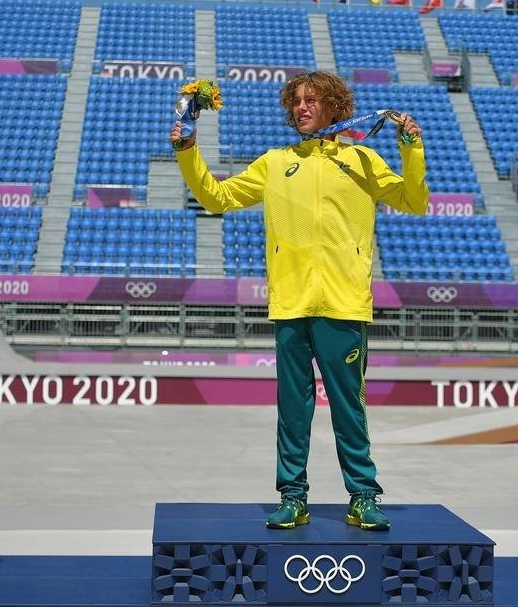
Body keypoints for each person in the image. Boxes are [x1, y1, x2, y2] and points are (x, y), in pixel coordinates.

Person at [171, 71, 428, 531]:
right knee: (293, 407)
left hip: (344, 304)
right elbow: (217, 197)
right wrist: (188, 149)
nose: (302, 108)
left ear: (334, 106)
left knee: (349, 406)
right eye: (296, 102)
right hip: (290, 303)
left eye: (312, 100)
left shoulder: (363, 160)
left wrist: (411, 149)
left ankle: (363, 496)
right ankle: (293, 496)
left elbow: (413, 201)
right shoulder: (274, 162)